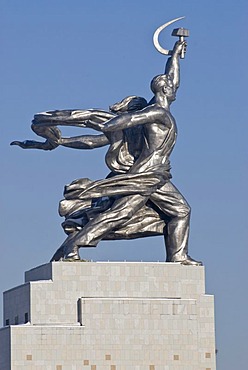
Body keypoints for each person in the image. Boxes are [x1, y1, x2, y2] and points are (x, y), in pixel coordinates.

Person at [58, 40, 202, 265]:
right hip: (145, 175)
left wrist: (175, 54)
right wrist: (109, 125)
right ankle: (73, 246)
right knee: (121, 214)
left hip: (158, 175)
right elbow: (130, 119)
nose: (174, 88)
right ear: (164, 90)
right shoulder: (156, 112)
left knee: (181, 211)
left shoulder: (161, 107)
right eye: (170, 87)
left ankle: (178, 256)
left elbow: (173, 78)